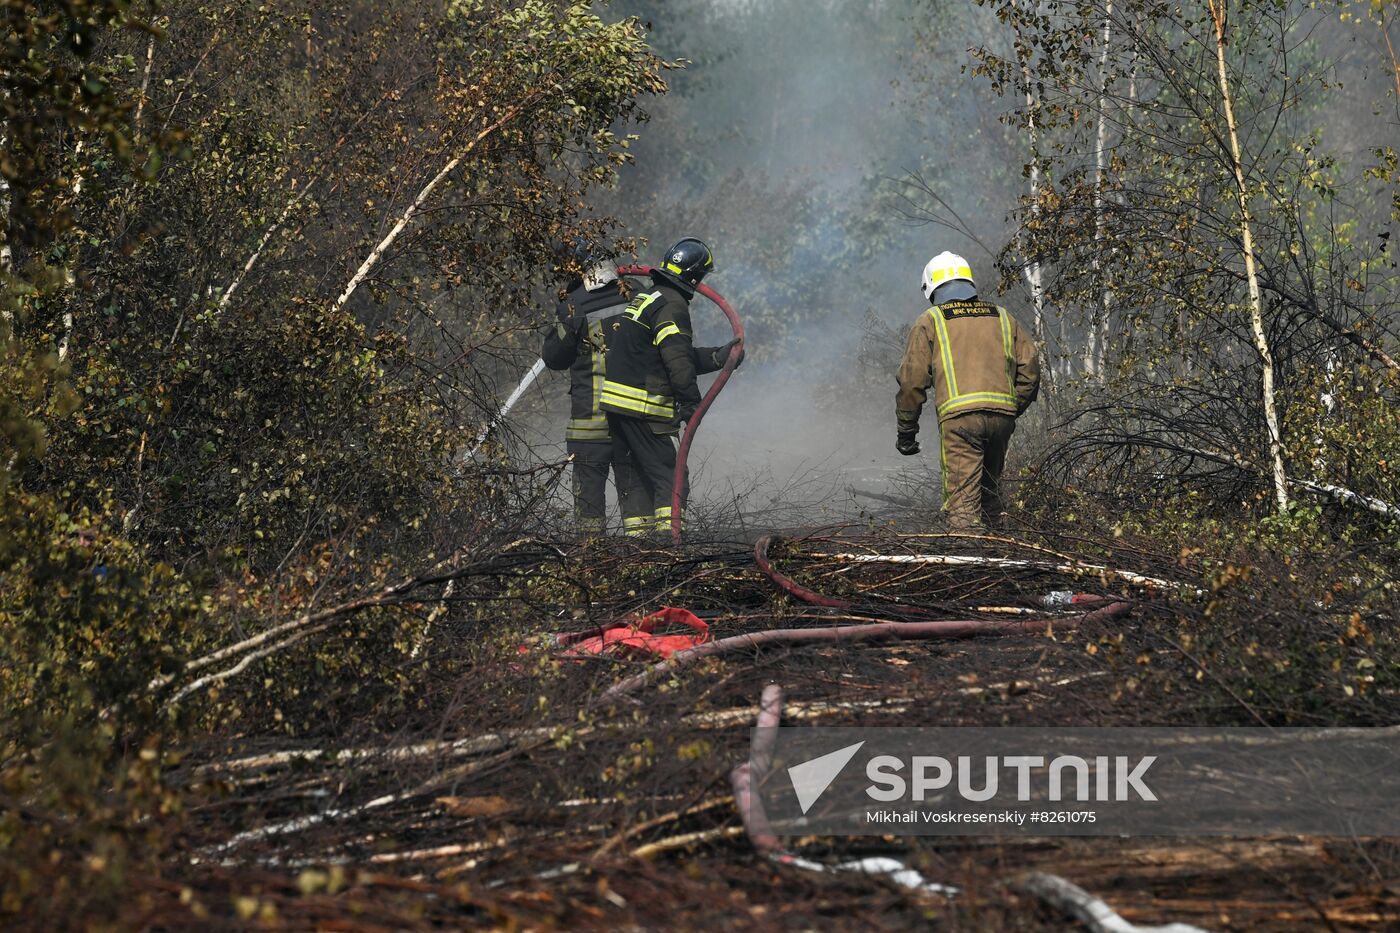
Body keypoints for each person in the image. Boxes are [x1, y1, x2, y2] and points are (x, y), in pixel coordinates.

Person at [600, 238, 743, 535]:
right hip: (646, 407)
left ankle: (638, 555)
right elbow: (676, 358)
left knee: (636, 480)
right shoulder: (673, 305)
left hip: (617, 407)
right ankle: (669, 547)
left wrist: (717, 357)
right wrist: (691, 403)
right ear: (694, 277)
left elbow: (664, 352)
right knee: (671, 476)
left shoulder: (650, 298)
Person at [895, 251, 1040, 530]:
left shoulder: (931, 320)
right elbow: (1031, 368)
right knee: (990, 495)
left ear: (932, 288)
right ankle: (1002, 556)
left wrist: (906, 432)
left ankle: (970, 563)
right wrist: (1010, 407)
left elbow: (911, 382)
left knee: (962, 504)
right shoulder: (1002, 316)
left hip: (959, 421)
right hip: (1002, 419)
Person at [540, 252, 650, 536]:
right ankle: (644, 563)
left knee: (589, 514)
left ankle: (592, 565)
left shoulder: (572, 306)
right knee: (638, 506)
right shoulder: (635, 294)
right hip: (632, 422)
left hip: (590, 430)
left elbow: (553, 358)